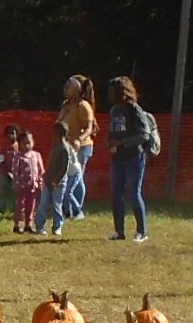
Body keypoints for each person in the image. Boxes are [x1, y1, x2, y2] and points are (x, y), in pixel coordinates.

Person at [104, 76, 157, 241]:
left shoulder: (134, 110)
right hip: (117, 158)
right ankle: (119, 232)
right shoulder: (114, 111)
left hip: (134, 158)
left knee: (134, 193)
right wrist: (109, 141)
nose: (109, 94)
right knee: (116, 194)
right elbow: (112, 131)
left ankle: (142, 231)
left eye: (113, 91)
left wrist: (123, 142)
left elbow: (144, 134)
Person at [56, 74, 96, 221]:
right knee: (71, 177)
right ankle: (69, 208)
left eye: (69, 85)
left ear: (77, 89)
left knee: (76, 177)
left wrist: (79, 140)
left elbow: (88, 128)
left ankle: (76, 209)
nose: (65, 88)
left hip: (81, 147)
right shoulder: (66, 105)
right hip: (67, 147)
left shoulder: (83, 106)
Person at [7, 127, 44, 234]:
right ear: (19, 144)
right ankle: (17, 224)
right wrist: (17, 184)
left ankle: (29, 224)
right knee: (20, 205)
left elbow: (41, 169)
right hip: (22, 186)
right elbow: (15, 172)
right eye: (24, 143)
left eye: (29, 143)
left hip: (33, 186)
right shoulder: (18, 157)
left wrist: (40, 182)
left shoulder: (36, 155)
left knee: (31, 205)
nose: (27, 146)